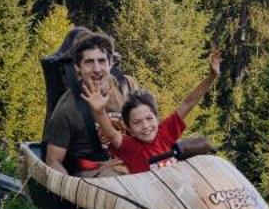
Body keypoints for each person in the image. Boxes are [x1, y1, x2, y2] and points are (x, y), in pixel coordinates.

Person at [81, 51, 222, 174]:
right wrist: (99, 111)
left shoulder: (165, 133)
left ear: (156, 117)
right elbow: (111, 134)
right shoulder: (130, 147)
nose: (145, 125)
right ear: (129, 128)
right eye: (137, 122)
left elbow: (187, 104)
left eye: (149, 118)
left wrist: (211, 77)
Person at [43, 29, 130, 176]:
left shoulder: (125, 87)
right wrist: (71, 190)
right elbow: (53, 161)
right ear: (78, 68)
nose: (97, 69)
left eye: (101, 61)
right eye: (89, 62)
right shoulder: (68, 109)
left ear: (110, 63)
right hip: (92, 173)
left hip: (127, 164)